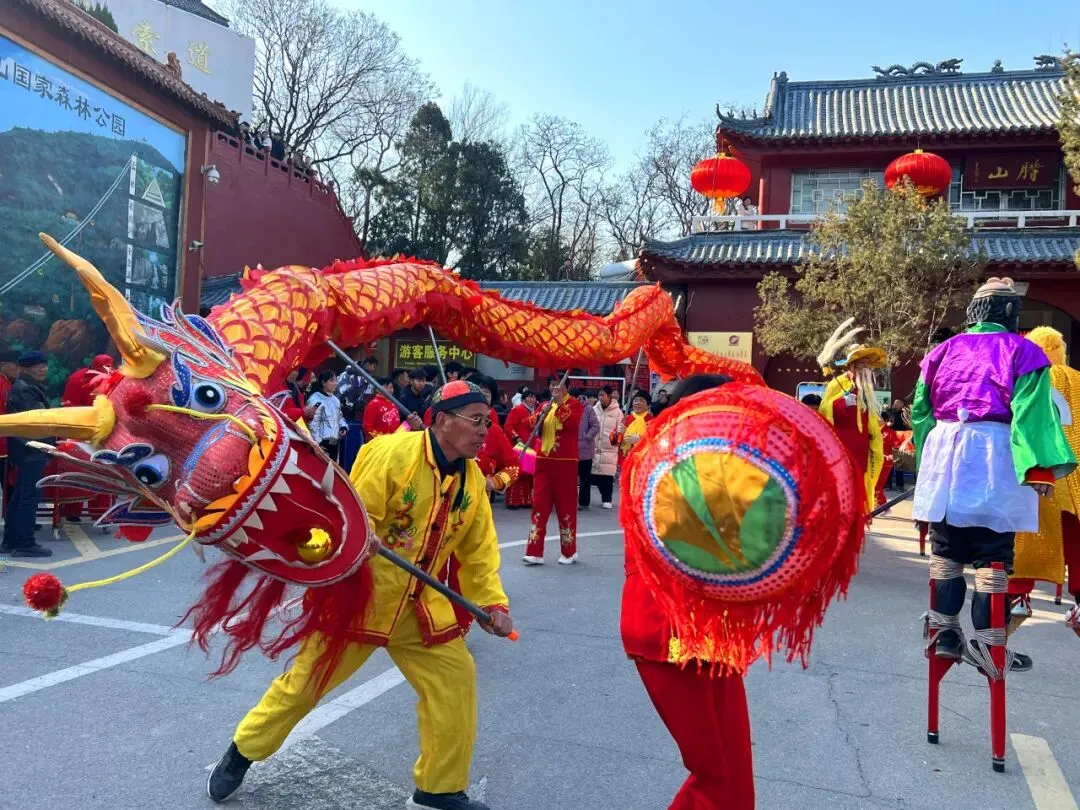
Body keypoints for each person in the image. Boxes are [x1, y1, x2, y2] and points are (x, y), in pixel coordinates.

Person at [207, 380, 513, 810]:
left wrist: (492, 603)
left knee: (455, 684)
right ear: (443, 420)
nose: (485, 430)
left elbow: (478, 550)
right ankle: (243, 752)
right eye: (476, 420)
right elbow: (351, 514)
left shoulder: (473, 480)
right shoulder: (391, 454)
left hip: (419, 607)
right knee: (304, 686)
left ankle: (438, 790)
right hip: (362, 597)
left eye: (488, 422)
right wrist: (360, 534)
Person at [620, 374, 866, 810]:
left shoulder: (724, 470)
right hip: (666, 638)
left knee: (735, 776)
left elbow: (768, 529)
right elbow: (720, 546)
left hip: (714, 640)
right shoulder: (665, 466)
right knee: (714, 775)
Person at [913, 278, 1074, 674]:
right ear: (1010, 313)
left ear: (973, 313)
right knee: (993, 556)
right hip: (994, 454)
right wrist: (1039, 467)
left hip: (945, 449)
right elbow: (1032, 413)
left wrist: (925, 465)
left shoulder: (941, 351)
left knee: (946, 551)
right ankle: (988, 646)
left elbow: (920, 411)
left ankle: (944, 633)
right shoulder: (1023, 350)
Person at [1007, 327, 1080, 638]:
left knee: (1022, 540)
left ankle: (1017, 598)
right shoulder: (1077, 380)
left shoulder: (1026, 376)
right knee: (1076, 542)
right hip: (1074, 480)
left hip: (1036, 475)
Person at [444, 374, 520, 634]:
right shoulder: (446, 422)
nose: (481, 394)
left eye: (486, 391)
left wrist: (494, 482)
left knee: (465, 569)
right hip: (433, 507)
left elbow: (513, 466)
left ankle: (459, 626)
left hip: (471, 513)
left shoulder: (494, 432)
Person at [817, 321, 887, 512]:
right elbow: (824, 411)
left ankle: (857, 515)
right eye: (862, 364)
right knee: (841, 485)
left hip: (862, 448)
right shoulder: (837, 384)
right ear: (852, 365)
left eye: (868, 365)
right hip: (842, 446)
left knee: (859, 487)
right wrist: (841, 403)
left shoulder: (867, 390)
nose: (866, 368)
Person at [524, 376, 584, 565]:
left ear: (567, 387)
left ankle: (569, 551)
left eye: (558, 385)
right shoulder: (545, 405)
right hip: (543, 462)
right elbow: (529, 424)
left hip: (565, 464)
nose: (554, 388)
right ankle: (534, 552)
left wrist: (558, 405)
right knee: (539, 506)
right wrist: (541, 414)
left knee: (565, 508)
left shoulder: (575, 405)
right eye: (551, 385)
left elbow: (572, 424)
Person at [1, 352, 53, 558]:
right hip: (32, 448)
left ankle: (10, 540)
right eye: (36, 366)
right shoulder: (26, 390)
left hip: (25, 449)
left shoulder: (23, 387)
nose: (43, 369)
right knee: (28, 497)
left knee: (19, 496)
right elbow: (38, 422)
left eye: (44, 365)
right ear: (24, 368)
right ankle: (25, 542)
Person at [58, 353, 115, 523]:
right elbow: (69, 407)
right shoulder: (78, 379)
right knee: (79, 469)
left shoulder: (113, 378)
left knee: (103, 471)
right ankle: (74, 510)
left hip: (103, 431)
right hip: (82, 430)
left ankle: (99, 512)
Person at [502, 388, 538, 510]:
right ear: (523, 399)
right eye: (530, 397)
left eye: (534, 397)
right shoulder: (518, 410)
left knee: (528, 473)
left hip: (530, 447)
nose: (532, 399)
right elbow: (508, 426)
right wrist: (516, 437)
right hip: (519, 446)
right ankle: (513, 501)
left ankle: (526, 500)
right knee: (517, 473)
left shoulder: (533, 412)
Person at [591, 385, 623, 509]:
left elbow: (620, 430)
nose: (600, 397)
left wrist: (619, 433)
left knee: (607, 476)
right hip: (594, 446)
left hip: (609, 447)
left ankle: (607, 499)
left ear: (610, 396)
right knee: (592, 474)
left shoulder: (618, 412)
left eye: (603, 395)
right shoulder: (594, 409)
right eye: (599, 395)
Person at [307, 371, 348, 462]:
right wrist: (317, 442)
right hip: (321, 442)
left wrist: (343, 426)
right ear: (323, 382)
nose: (335, 383)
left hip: (334, 441)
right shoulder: (315, 399)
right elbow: (312, 423)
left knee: (332, 468)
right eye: (332, 380)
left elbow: (339, 417)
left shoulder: (336, 400)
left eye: (336, 380)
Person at [0, 349, 20, 514]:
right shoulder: (2, 385)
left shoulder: (8, 383)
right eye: (15, 365)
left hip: (6, 442)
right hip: (3, 444)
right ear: (3, 365)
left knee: (10, 485)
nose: (18, 369)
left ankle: (13, 518)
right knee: (9, 484)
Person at [575, 387, 600, 509]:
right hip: (570, 449)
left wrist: (587, 436)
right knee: (570, 478)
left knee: (585, 478)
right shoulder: (566, 408)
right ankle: (571, 501)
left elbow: (596, 426)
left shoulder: (588, 408)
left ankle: (584, 502)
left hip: (585, 449)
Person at [612, 391, 652, 464]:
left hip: (645, 461)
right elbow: (613, 442)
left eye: (641, 400)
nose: (637, 403)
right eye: (636, 400)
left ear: (648, 405)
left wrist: (641, 439)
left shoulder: (652, 421)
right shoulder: (626, 420)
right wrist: (617, 433)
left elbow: (658, 441)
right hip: (625, 460)